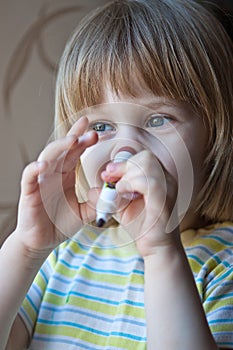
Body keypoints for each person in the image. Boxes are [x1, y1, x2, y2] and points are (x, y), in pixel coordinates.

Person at [0, 0, 233, 349]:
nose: (124, 151)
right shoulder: (62, 256)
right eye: (102, 125)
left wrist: (161, 252)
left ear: (216, 134)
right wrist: (26, 247)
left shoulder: (224, 265)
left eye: (158, 120)